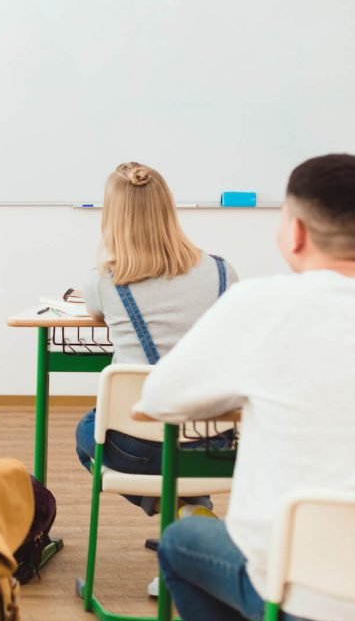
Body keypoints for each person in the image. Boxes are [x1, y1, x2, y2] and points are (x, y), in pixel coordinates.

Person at [142, 154, 355, 621]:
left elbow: (158, 399)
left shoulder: (258, 305)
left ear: (296, 232)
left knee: (179, 544)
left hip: (304, 598)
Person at [74, 161, 237, 518]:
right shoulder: (224, 272)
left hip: (140, 447)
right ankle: (192, 511)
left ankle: (172, 508)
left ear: (113, 218)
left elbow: (96, 314)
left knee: (87, 434)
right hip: (213, 439)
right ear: (168, 209)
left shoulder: (103, 281)